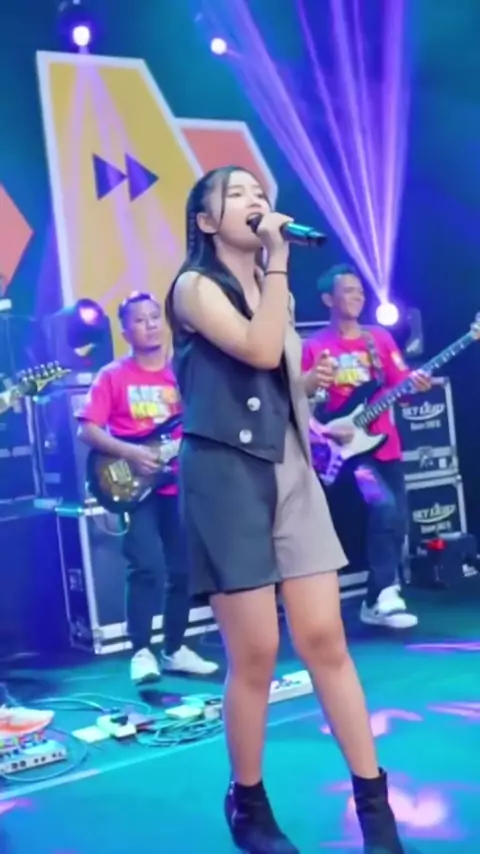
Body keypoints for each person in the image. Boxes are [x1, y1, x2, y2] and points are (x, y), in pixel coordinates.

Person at [165, 166, 405, 854]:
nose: (255, 201)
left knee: (326, 638)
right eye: (236, 194)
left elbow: (275, 373)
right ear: (207, 221)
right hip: (227, 475)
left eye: (258, 192)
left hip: (292, 470)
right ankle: (248, 805)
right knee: (258, 652)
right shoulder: (194, 287)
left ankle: (375, 808)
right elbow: (259, 347)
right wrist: (277, 263)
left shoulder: (273, 287)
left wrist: (308, 388)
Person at [77, 292, 218, 684]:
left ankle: (174, 648)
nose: (150, 324)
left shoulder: (184, 373)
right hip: (133, 485)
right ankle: (141, 651)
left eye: (155, 317)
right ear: (125, 331)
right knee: (146, 567)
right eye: (139, 320)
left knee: (183, 568)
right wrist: (132, 453)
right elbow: (87, 429)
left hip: (178, 482)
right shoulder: (113, 375)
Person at [302, 264, 431, 630]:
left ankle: (377, 599)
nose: (357, 296)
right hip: (348, 454)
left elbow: (399, 384)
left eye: (360, 290)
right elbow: (298, 404)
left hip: (385, 446)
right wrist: (324, 432)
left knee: (398, 520)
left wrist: (415, 385)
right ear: (328, 299)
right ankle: (384, 592)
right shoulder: (314, 347)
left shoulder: (378, 339)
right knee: (383, 507)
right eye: (348, 290)